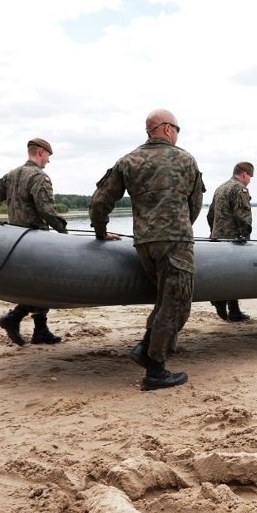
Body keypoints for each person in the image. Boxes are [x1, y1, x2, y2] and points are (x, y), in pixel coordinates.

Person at [89, 109, 204, 391]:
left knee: (165, 299)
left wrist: (101, 231)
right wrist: (182, 227)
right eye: (177, 128)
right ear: (166, 129)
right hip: (175, 240)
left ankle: (144, 347)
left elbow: (100, 201)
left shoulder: (128, 161)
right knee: (177, 304)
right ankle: (155, 370)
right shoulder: (185, 159)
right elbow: (195, 203)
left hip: (144, 243)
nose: (177, 134)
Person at [0, 138, 68, 346]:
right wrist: (64, 233)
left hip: (14, 240)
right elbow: (47, 210)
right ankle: (14, 317)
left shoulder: (12, 175)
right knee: (45, 284)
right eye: (48, 157)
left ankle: (40, 330)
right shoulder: (38, 176)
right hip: (36, 241)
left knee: (36, 284)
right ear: (41, 153)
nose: (48, 162)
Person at [206, 161, 254, 322]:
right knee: (236, 274)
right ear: (244, 174)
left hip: (216, 239)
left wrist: (215, 233)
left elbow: (210, 215)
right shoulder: (239, 189)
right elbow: (243, 216)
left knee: (223, 274)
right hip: (232, 240)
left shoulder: (221, 188)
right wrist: (246, 237)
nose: (249, 181)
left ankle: (232, 308)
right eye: (249, 177)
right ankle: (228, 306)